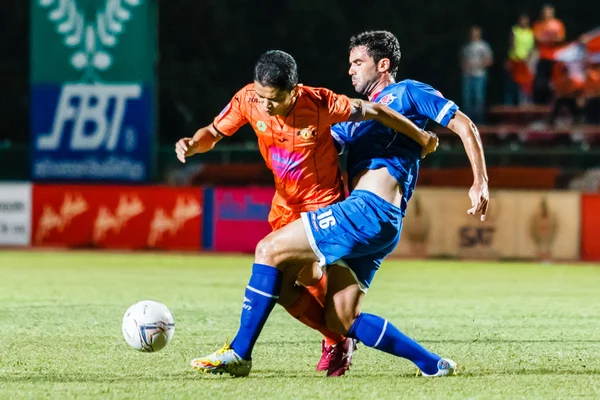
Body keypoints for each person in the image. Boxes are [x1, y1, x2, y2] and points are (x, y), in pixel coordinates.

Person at [191, 31, 489, 378]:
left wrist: (479, 181)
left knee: (268, 250)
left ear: (383, 64)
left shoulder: (409, 91)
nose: (350, 70)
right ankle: (430, 363)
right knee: (337, 316)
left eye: (357, 62)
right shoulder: (351, 123)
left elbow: (464, 125)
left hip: (368, 211)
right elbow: (319, 140)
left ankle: (240, 353)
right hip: (378, 222)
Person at [532, 3, 566, 104]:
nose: (546, 14)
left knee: (556, 83)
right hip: (543, 57)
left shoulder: (558, 24)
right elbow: (537, 38)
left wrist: (547, 39)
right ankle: (540, 106)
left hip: (556, 57)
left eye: (548, 11)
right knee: (540, 84)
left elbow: (561, 38)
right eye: (545, 12)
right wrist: (552, 38)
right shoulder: (538, 25)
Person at [461, 25, 493, 124]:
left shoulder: (484, 46)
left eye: (476, 32)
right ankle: (467, 123)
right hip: (468, 75)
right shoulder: (466, 47)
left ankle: (479, 123)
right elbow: (462, 60)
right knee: (467, 101)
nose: (474, 34)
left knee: (479, 99)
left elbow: (489, 60)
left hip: (479, 75)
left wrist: (479, 65)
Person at [505, 14, 535, 105]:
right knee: (511, 84)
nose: (524, 22)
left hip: (525, 61)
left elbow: (531, 48)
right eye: (522, 20)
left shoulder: (530, 33)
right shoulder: (515, 30)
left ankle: (524, 103)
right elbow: (511, 45)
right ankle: (509, 104)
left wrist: (529, 59)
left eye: (525, 20)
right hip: (515, 60)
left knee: (525, 84)